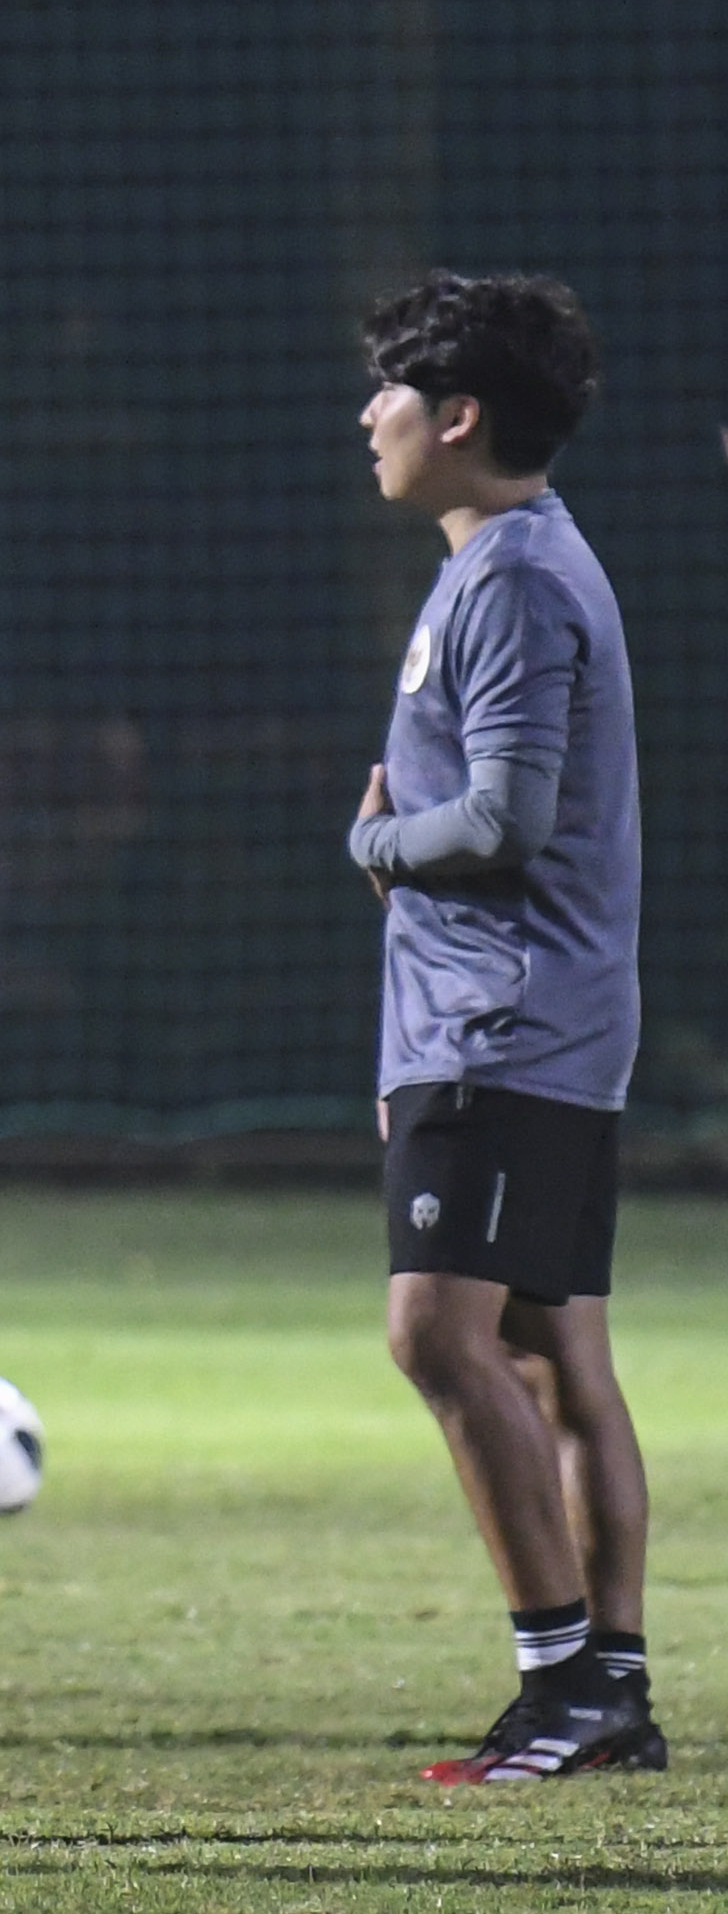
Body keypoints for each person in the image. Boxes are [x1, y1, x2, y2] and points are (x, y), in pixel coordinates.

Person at [350, 269, 662, 1784]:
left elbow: (502, 821)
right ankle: (612, 1694)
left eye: (393, 393)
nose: (371, 417)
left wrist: (377, 844)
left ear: (460, 416)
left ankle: (562, 1683)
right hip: (523, 1019)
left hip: (505, 1021)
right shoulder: (510, 559)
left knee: (437, 1337)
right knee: (550, 1356)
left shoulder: (518, 579)